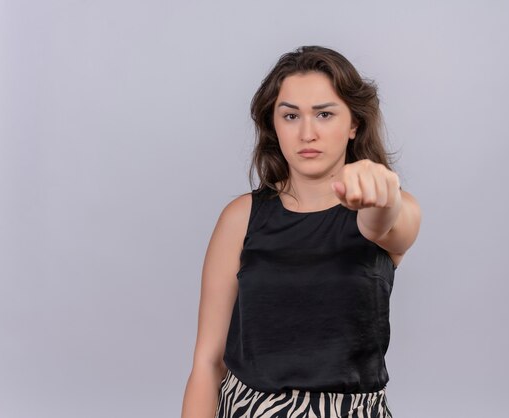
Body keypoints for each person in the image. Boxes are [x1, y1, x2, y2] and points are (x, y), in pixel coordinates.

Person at [181, 45, 422, 418]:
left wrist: (380, 190)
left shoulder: (392, 206)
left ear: (353, 124)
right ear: (274, 126)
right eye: (291, 115)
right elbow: (208, 362)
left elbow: (384, 223)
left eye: (324, 114)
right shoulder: (240, 217)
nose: (307, 132)